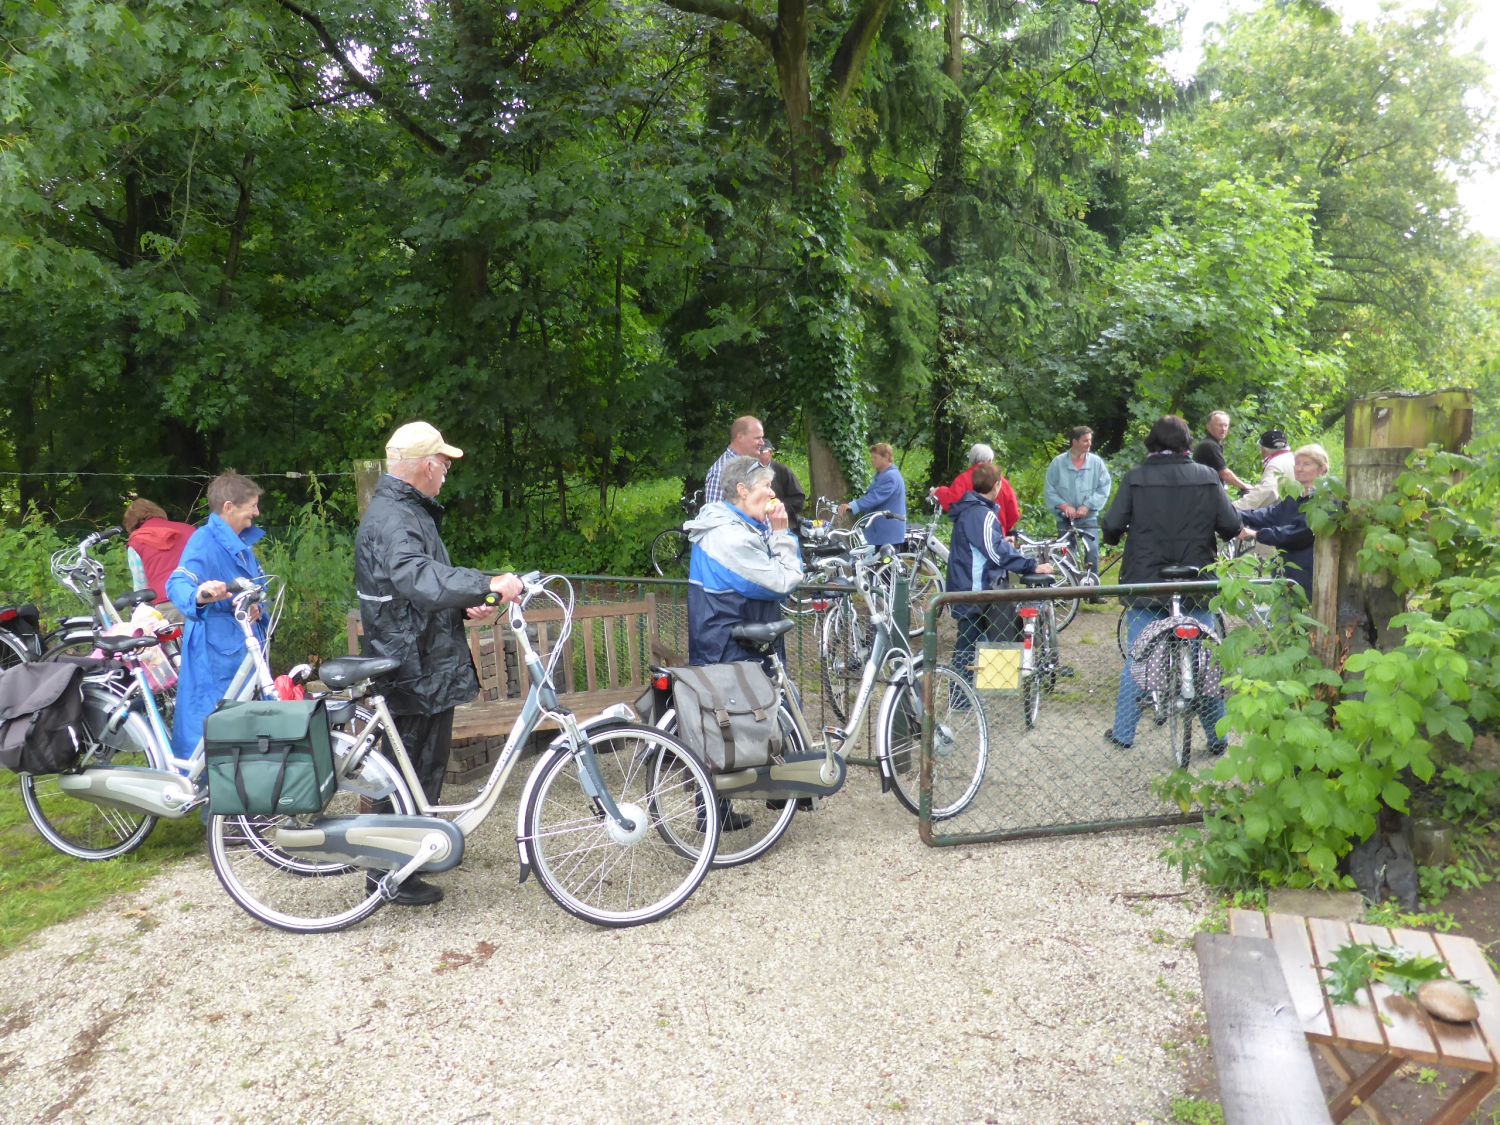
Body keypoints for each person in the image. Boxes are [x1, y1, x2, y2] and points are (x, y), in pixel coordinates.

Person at [355, 421, 523, 907]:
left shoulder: (406, 511)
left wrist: (465, 601)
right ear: (427, 465)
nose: (447, 471)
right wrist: (486, 581)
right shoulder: (395, 516)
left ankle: (408, 857)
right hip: (411, 663)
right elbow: (415, 576)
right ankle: (388, 875)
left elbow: (418, 588)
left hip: (423, 655)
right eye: (444, 462)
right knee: (405, 768)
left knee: (421, 765)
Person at [1101, 415, 1241, 751]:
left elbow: (1111, 528)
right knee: (1204, 661)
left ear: (1152, 442)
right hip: (1197, 582)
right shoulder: (1207, 477)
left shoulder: (1136, 478)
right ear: (1187, 443)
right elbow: (1231, 526)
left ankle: (1123, 734)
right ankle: (1218, 739)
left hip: (1147, 583)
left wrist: (1120, 533)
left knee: (1140, 655)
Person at [166, 474, 269, 762]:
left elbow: (256, 586)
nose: (256, 513)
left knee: (245, 729)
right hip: (215, 653)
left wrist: (257, 607)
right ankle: (210, 800)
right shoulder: (204, 540)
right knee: (213, 729)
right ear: (228, 507)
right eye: (252, 506)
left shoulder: (239, 542)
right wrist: (200, 593)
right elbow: (178, 583)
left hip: (243, 645)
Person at [685, 455, 804, 667]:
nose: (773, 493)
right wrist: (781, 534)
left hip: (726, 651)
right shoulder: (731, 537)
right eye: (766, 486)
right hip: (736, 659)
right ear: (743, 490)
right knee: (780, 700)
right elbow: (783, 581)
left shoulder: (725, 526)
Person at [946, 463, 1053, 687]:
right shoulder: (980, 514)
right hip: (975, 590)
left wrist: (1001, 545)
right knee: (968, 644)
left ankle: (978, 690)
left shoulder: (972, 510)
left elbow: (986, 547)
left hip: (969, 585)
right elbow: (995, 552)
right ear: (997, 485)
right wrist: (1030, 565)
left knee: (973, 641)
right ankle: (961, 698)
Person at [1236, 443, 1330, 599]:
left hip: (1309, 578)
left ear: (1322, 469)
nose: (1299, 468)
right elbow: (1269, 514)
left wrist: (1257, 534)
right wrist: (1234, 514)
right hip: (1285, 575)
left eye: (1306, 464)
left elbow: (1299, 533)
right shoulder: (1296, 497)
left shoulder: (1325, 499)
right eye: (1297, 463)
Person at [1043, 426, 1112, 574]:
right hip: (1064, 518)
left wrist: (1087, 506)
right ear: (1074, 442)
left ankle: (1093, 589)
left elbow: (1104, 487)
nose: (1089, 444)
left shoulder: (1096, 463)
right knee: (1067, 553)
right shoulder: (1057, 463)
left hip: (1088, 517)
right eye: (1085, 441)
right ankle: (1071, 589)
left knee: (1092, 550)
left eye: (1090, 440)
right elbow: (1049, 490)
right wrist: (1064, 506)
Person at [123, 498, 196, 619]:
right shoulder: (189, 530)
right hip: (204, 597)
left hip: (168, 603)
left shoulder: (137, 541)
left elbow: (141, 588)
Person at [929, 443, 1021, 535]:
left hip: (969, 536)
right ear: (990, 460)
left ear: (972, 460)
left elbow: (952, 501)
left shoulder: (964, 479)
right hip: (996, 536)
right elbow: (1014, 513)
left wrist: (938, 491)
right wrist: (1004, 529)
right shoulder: (1001, 482)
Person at [838, 442, 907, 547]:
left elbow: (875, 497)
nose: (872, 460)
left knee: (886, 563)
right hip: (880, 533)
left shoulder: (891, 476)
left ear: (886, 457)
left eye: (875, 457)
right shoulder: (882, 474)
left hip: (887, 534)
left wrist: (852, 506)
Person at [704, 416, 765, 505]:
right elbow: (714, 517)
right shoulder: (721, 472)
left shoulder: (752, 465)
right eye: (757, 438)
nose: (762, 443)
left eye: (762, 437)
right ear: (740, 437)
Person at [1235, 428, 1296, 511]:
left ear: (1264, 449)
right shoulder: (1292, 458)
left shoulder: (1275, 464)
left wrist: (1235, 507)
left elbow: (1268, 491)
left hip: (1280, 515)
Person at [1192, 412, 1252, 493]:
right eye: (1220, 425)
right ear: (1208, 427)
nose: (1223, 429)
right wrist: (1244, 486)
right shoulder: (1209, 445)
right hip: (1205, 495)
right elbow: (1224, 473)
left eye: (1226, 425)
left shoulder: (1211, 444)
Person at [756, 440, 806, 537]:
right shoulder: (752, 471)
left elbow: (799, 499)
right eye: (757, 452)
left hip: (784, 525)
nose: (758, 455)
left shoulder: (782, 471)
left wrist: (777, 506)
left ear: (771, 453)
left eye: (762, 452)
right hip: (759, 526)